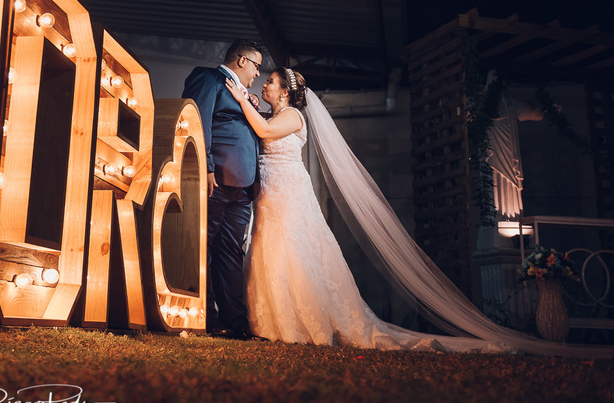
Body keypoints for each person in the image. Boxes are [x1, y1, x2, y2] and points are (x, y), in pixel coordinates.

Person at [222, 67, 614, 356]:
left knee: (291, 252)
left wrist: (242, 100)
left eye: (270, 81)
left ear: (285, 92)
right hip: (271, 196)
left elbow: (265, 133)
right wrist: (251, 106)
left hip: (289, 195)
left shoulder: (292, 116)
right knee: (271, 252)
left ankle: (297, 321)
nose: (264, 85)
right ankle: (271, 320)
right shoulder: (274, 113)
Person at [181, 40, 264, 340]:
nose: (258, 73)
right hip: (214, 179)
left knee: (230, 251)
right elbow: (197, 122)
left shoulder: (245, 94)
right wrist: (206, 167)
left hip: (242, 186)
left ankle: (235, 321)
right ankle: (204, 316)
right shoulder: (208, 78)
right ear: (242, 61)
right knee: (202, 245)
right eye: (257, 66)